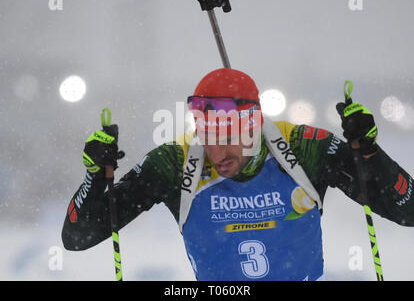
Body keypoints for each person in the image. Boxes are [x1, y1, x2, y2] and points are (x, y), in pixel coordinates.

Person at [62, 68, 414, 281]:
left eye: (228, 140)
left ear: (253, 127)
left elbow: (407, 209)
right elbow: (78, 237)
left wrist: (369, 153)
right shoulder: (175, 161)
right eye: (208, 139)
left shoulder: (303, 147)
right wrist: (96, 176)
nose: (217, 154)